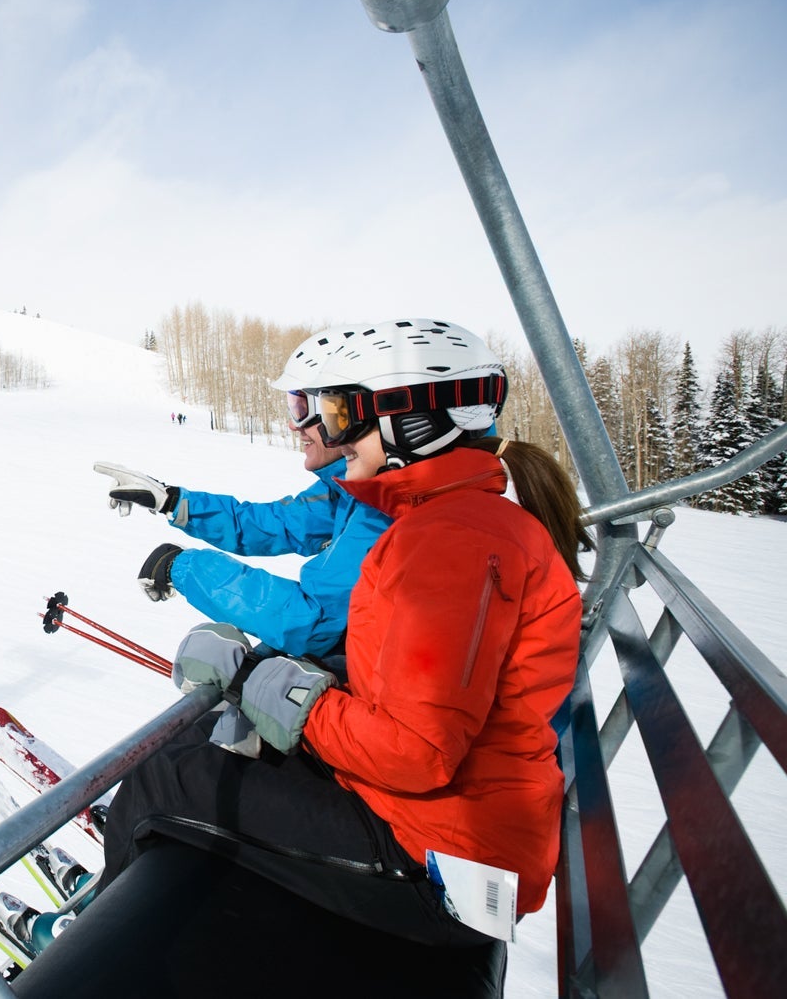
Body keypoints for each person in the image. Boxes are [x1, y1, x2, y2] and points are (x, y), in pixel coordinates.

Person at [95, 318, 588, 957]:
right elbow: (282, 533)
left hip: (442, 856)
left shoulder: (450, 544)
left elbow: (415, 749)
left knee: (165, 780)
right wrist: (177, 503)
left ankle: (98, 949)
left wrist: (262, 682)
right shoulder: (438, 516)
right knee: (208, 741)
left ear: (414, 421)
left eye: (336, 411)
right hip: (431, 819)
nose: (320, 431)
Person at [94, 324, 389, 661]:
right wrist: (171, 500)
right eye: (294, 406)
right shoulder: (349, 492)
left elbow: (311, 623)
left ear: (353, 416)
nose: (294, 425)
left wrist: (185, 567)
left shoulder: (380, 513)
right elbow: (273, 523)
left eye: (305, 409)